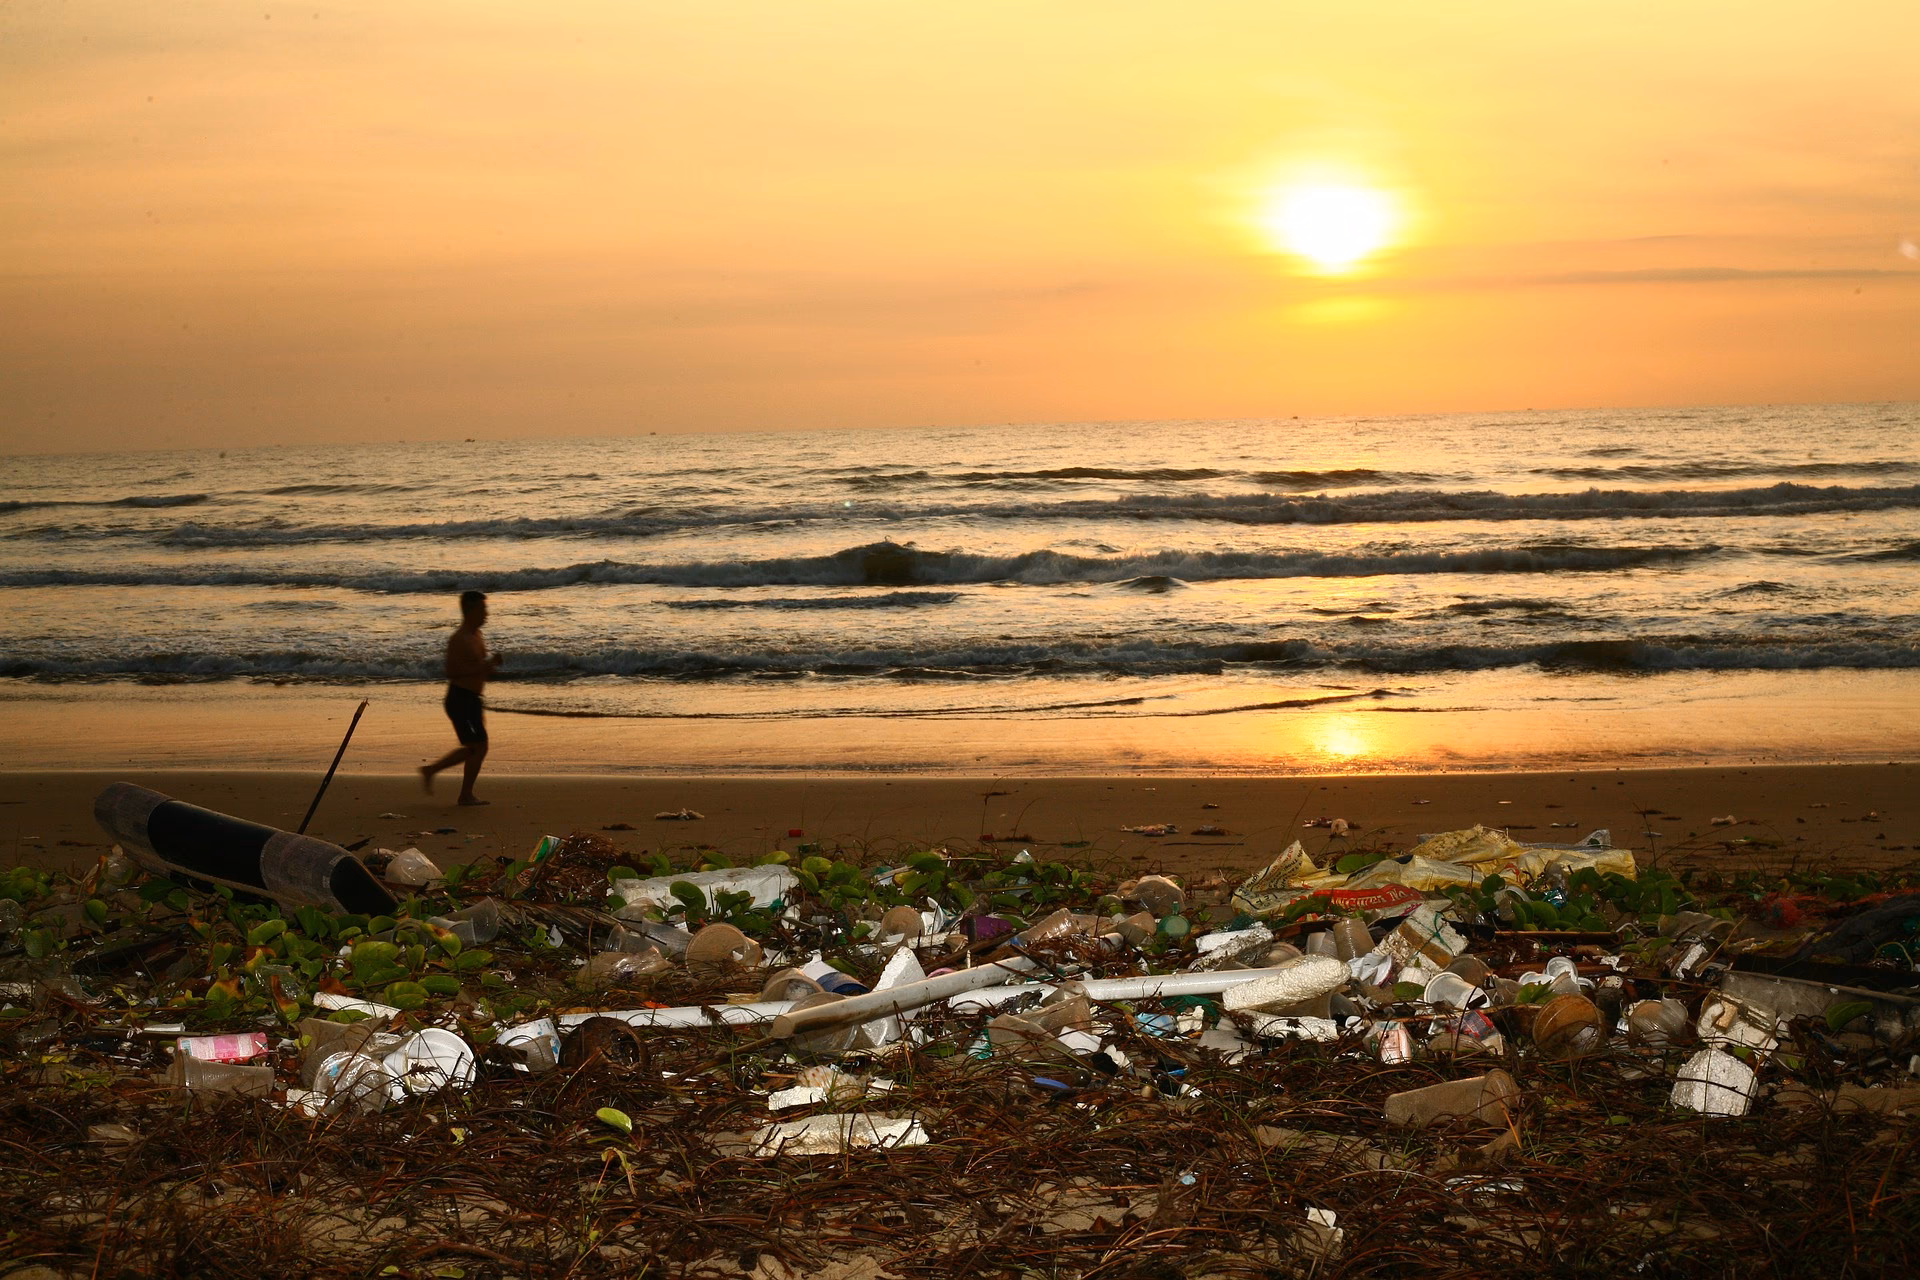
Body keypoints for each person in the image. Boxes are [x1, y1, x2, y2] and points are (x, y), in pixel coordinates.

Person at [420, 590, 502, 805]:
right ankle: (463, 793)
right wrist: (486, 665)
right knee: (478, 747)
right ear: (470, 611)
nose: (487, 614)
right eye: (483, 609)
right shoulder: (459, 639)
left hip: (472, 699)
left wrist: (491, 668)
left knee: (473, 747)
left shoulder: (477, 636)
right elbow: (451, 672)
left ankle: (433, 771)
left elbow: (478, 667)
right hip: (460, 698)